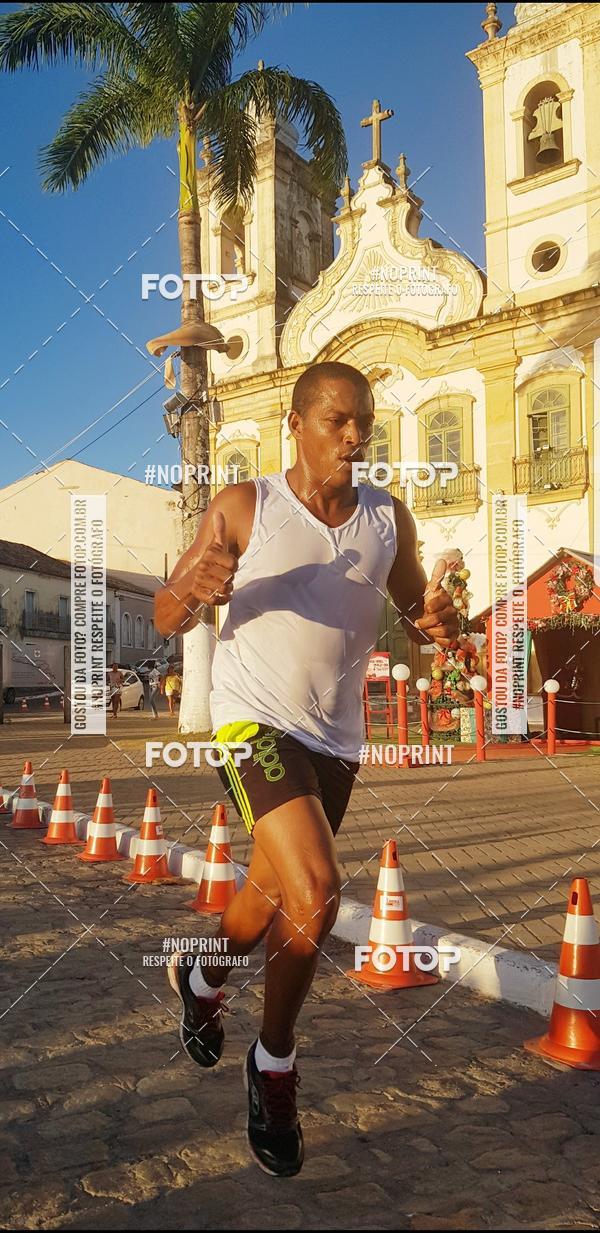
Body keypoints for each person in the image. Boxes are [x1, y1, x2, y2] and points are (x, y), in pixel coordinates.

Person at [155, 360, 458, 1178]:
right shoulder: (245, 506)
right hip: (252, 724)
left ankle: (202, 977)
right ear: (296, 425)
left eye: (365, 423)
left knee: (271, 892)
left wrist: (439, 619)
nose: (355, 436)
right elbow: (165, 610)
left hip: (337, 741)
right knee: (317, 890)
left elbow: (418, 610)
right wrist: (192, 590)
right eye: (337, 420)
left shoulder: (387, 518)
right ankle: (274, 1062)